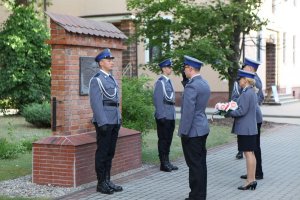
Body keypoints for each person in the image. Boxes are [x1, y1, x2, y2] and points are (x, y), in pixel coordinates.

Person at [89, 48, 123, 194]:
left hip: (114, 120)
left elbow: (115, 102)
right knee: (102, 153)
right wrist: (102, 122)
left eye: (111, 60)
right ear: (101, 62)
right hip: (104, 121)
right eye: (108, 60)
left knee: (110, 152)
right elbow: (96, 103)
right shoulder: (96, 79)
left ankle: (108, 180)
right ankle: (101, 183)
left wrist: (119, 118)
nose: (111, 62)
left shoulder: (111, 79)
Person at [178, 55, 211, 200]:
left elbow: (188, 112)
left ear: (190, 68)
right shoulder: (203, 83)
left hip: (192, 131)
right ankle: (200, 195)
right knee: (200, 164)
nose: (184, 70)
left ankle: (195, 196)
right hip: (202, 127)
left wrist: (183, 132)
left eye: (185, 68)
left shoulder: (192, 86)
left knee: (194, 166)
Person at [226, 69, 258, 190]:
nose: (239, 81)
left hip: (245, 128)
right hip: (251, 128)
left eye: (240, 79)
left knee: (248, 154)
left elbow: (242, 111)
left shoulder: (246, 93)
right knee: (251, 153)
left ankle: (249, 180)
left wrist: (229, 112)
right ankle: (253, 179)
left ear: (245, 80)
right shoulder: (251, 92)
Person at [240, 57, 264, 180]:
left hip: (253, 118)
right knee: (252, 147)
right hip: (254, 116)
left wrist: (252, 107)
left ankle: (257, 173)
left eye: (244, 67)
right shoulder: (255, 79)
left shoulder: (255, 80)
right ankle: (253, 173)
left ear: (249, 68)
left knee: (254, 147)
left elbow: (259, 98)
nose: (242, 69)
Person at [153, 58, 178, 172]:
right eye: (169, 67)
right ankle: (163, 163)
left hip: (170, 114)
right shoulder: (160, 82)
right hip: (164, 116)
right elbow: (158, 100)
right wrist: (161, 115)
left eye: (171, 67)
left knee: (169, 139)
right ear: (163, 69)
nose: (170, 69)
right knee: (163, 139)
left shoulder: (169, 82)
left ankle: (167, 161)